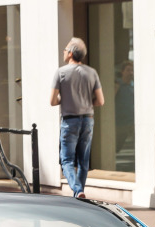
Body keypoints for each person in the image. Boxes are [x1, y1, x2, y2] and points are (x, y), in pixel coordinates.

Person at [50, 37, 104, 198]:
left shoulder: (61, 73)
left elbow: (52, 101)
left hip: (69, 120)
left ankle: (77, 189)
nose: (64, 51)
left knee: (66, 160)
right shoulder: (92, 72)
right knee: (83, 160)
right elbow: (100, 100)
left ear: (71, 53)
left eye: (66, 49)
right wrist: (86, 101)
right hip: (88, 119)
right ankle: (79, 192)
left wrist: (65, 99)